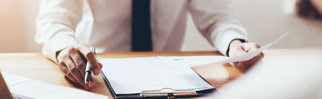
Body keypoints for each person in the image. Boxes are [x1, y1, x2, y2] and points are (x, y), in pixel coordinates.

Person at [35, 0, 264, 90]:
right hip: (98, 76)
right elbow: (53, 18)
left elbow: (217, 19)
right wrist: (65, 49)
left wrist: (235, 44)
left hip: (171, 79)